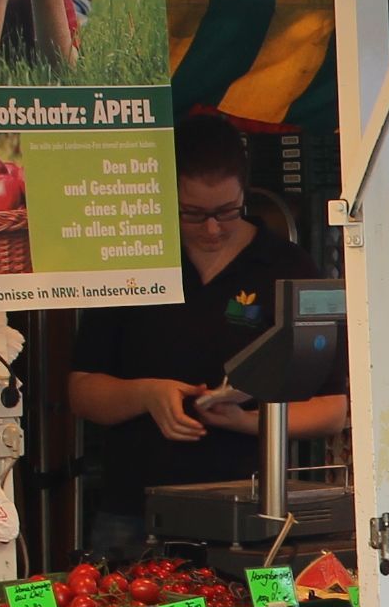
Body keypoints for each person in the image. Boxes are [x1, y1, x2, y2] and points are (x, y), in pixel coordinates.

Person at [68, 114, 338, 560]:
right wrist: (148, 395)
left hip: (253, 513)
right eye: (193, 214)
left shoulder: (286, 267)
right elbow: (82, 392)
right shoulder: (133, 261)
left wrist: (250, 421)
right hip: (136, 512)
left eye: (227, 212)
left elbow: (332, 409)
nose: (212, 229)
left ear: (245, 192)